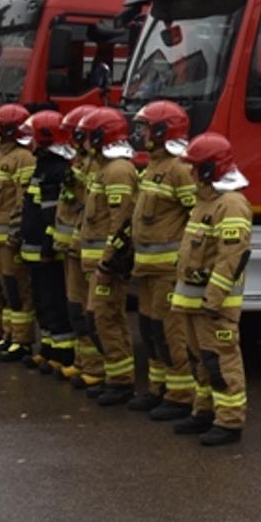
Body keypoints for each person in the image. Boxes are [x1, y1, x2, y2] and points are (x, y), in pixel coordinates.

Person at [169, 133, 251, 446]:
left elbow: (231, 258)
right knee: (200, 360)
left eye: (195, 167)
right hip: (194, 303)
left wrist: (213, 299)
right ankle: (204, 411)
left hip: (214, 305)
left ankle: (229, 422)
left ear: (208, 169)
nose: (190, 173)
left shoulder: (231, 205)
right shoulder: (206, 201)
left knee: (220, 360)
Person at [131, 101, 203, 421]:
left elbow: (196, 217)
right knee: (150, 330)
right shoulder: (153, 165)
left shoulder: (179, 169)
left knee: (170, 332)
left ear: (163, 131)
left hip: (167, 270)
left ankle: (180, 395)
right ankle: (158, 388)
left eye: (146, 128)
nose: (141, 133)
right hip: (147, 267)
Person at [78, 107, 138, 405]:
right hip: (96, 263)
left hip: (107, 265)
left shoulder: (117, 170)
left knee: (105, 317)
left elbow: (121, 222)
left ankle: (121, 382)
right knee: (101, 318)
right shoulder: (103, 168)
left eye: (89, 135)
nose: (84, 141)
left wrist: (108, 262)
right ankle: (116, 378)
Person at [18, 109, 72, 375]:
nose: (30, 142)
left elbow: (53, 214)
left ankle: (63, 353)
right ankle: (49, 349)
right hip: (35, 247)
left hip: (47, 250)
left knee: (54, 300)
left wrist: (49, 243)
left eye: (33, 137)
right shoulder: (42, 166)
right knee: (41, 301)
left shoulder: (56, 169)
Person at [51, 105, 102, 388]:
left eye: (77, 134)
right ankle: (83, 362)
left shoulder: (100, 167)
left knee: (90, 312)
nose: (72, 139)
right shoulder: (81, 162)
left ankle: (95, 367)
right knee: (76, 307)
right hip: (74, 246)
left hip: (89, 249)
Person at [0, 103, 37, 363]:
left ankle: (22, 340)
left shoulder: (23, 158)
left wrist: (16, 232)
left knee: (17, 289)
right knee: (2, 287)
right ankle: (8, 334)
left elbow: (22, 200)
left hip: (8, 237)